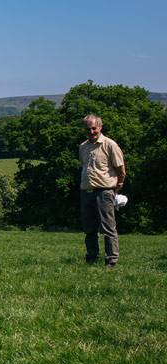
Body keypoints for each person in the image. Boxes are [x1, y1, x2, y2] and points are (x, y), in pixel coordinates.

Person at [78, 114, 125, 266]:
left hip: (104, 191)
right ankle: (91, 258)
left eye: (94, 128)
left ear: (100, 127)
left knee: (108, 228)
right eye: (87, 129)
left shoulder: (110, 144)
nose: (91, 131)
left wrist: (118, 184)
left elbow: (120, 169)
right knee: (89, 228)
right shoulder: (83, 146)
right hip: (87, 191)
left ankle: (111, 260)